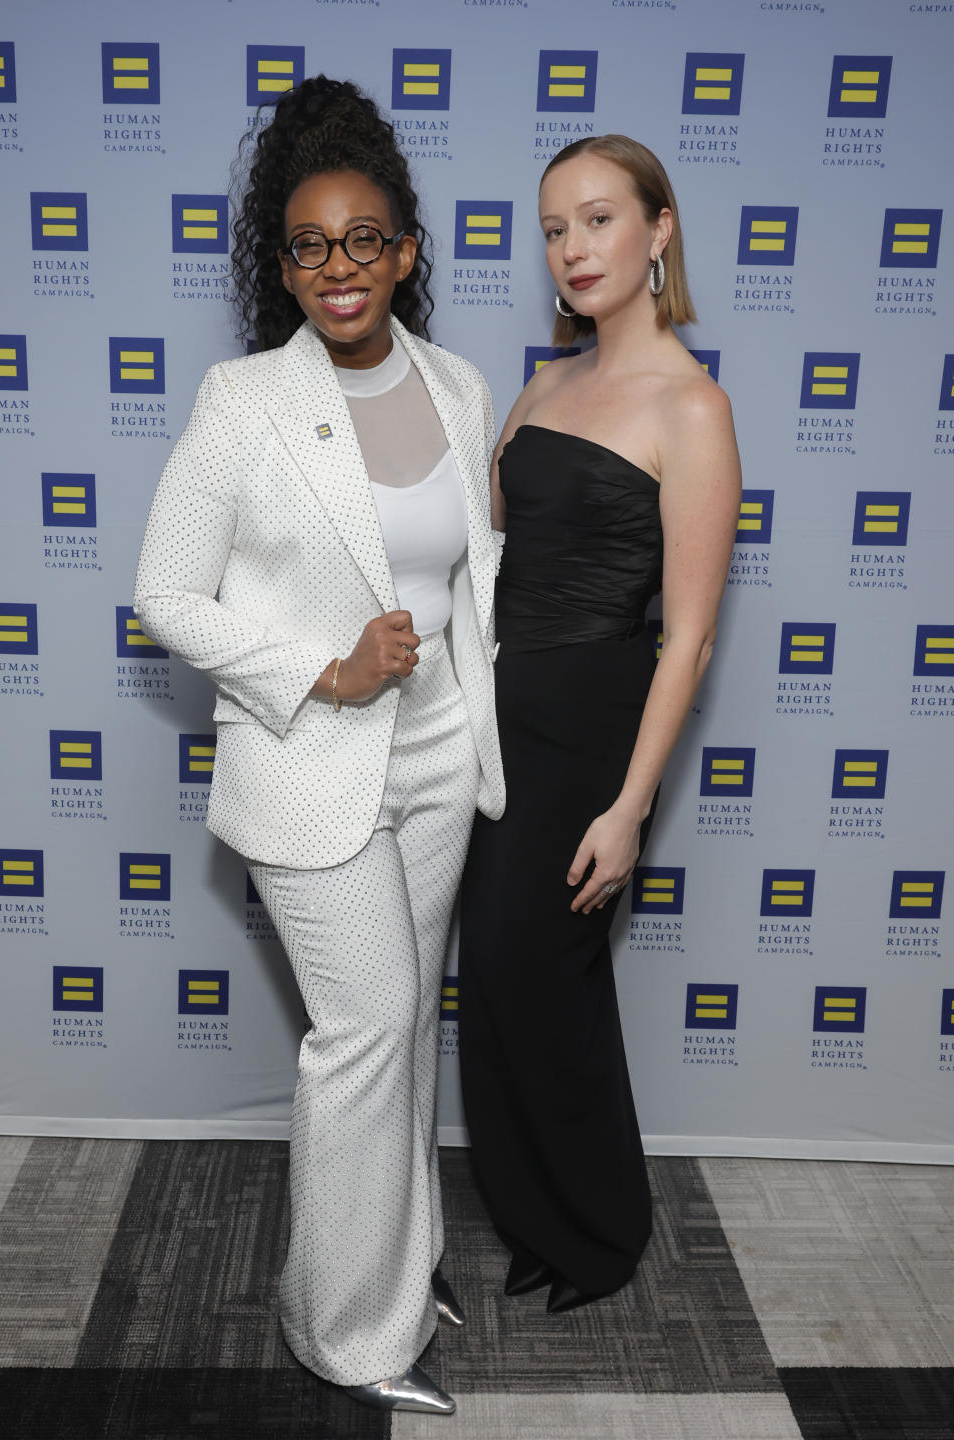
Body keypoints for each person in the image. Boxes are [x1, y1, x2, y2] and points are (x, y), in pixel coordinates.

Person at [133, 76, 503, 1416]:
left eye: (363, 240)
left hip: (440, 758)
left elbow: (474, 583)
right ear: (278, 262)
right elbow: (165, 597)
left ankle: (399, 1268)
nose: (337, 269)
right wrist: (324, 669)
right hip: (310, 759)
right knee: (366, 1028)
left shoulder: (459, 389)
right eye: (308, 246)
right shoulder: (243, 402)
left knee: (404, 1035)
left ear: (406, 248)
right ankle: (340, 1326)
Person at [458, 134, 741, 1313]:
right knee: (508, 981)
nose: (573, 249)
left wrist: (627, 809)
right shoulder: (543, 382)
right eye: (554, 229)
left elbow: (691, 636)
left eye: (599, 220)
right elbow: (488, 557)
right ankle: (535, 1218)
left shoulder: (692, 405)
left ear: (659, 230)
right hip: (495, 715)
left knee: (545, 974)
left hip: (592, 733)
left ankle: (601, 1232)